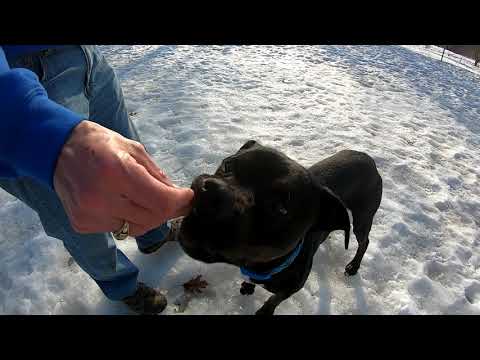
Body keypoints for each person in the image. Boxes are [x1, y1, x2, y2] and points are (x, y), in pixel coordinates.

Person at [0, 45, 194, 314]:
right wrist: (22, 120)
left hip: (84, 56)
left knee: (133, 164)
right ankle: (121, 285)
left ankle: (155, 234)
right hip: (15, 86)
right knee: (73, 216)